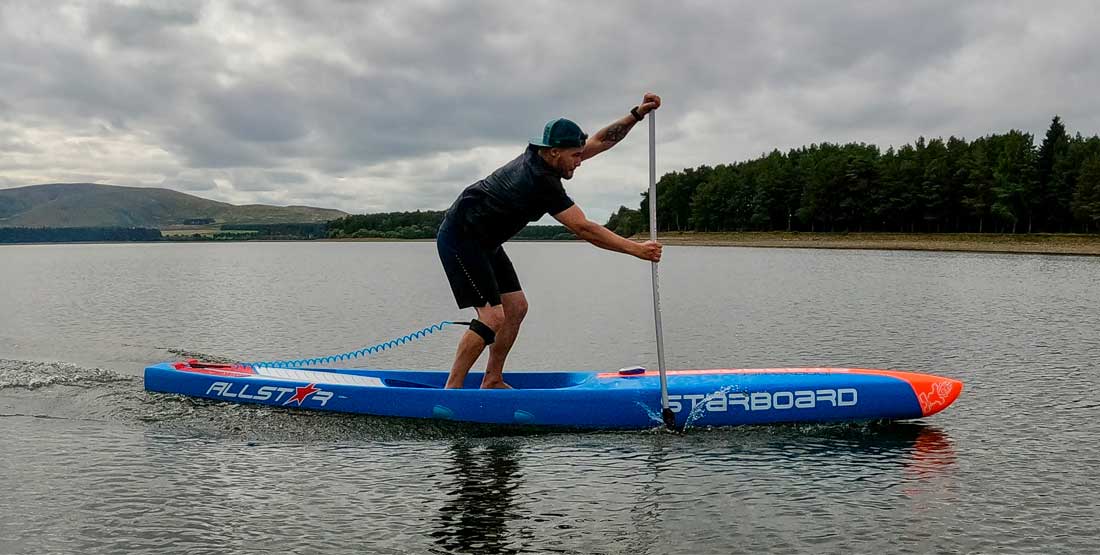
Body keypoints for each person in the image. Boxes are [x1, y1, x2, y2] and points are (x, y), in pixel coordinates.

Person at [436, 93, 664, 389]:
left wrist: (635, 114)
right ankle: (450, 393)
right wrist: (637, 249)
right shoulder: (540, 180)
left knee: (516, 308)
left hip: (486, 242)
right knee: (492, 317)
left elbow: (599, 141)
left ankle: (492, 379)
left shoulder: (548, 157)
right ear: (555, 152)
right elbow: (584, 228)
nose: (579, 162)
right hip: (460, 239)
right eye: (575, 156)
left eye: (580, 155)